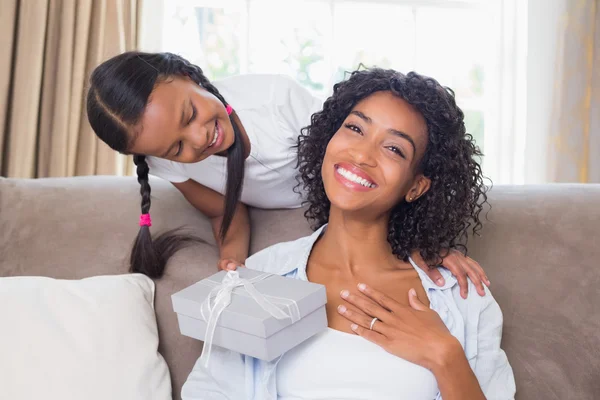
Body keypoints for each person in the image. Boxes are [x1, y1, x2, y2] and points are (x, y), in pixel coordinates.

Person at [181, 68, 515, 399]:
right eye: (355, 128)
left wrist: (446, 357)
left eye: (395, 149)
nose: (361, 154)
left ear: (416, 186)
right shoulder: (260, 277)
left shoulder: (463, 296)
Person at [86, 51, 490, 300]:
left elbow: (365, 166)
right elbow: (223, 209)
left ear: (190, 75)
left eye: (190, 113)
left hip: (347, 197)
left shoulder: (274, 101)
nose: (197, 139)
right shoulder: (164, 162)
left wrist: (428, 245)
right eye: (176, 148)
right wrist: (231, 259)